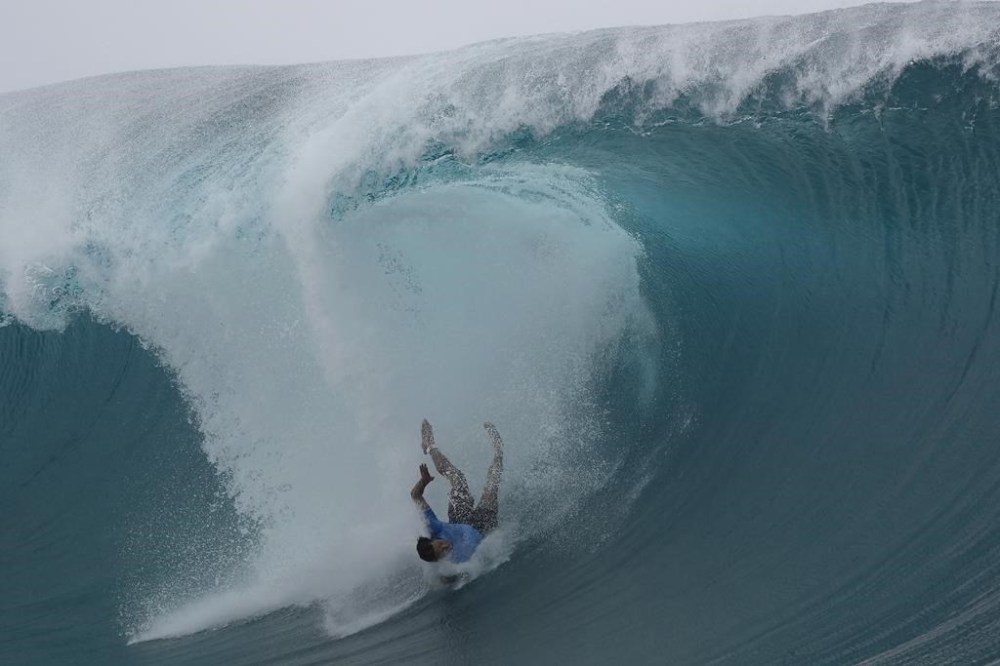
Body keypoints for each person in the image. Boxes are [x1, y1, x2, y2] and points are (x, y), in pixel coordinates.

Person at [411, 419, 503, 563]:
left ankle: (430, 446)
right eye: (442, 551)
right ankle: (499, 452)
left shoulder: (434, 528)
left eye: (440, 544)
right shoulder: (454, 564)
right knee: (491, 488)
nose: (445, 545)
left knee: (458, 479)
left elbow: (415, 496)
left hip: (459, 520)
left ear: (433, 539)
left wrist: (423, 482)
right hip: (481, 527)